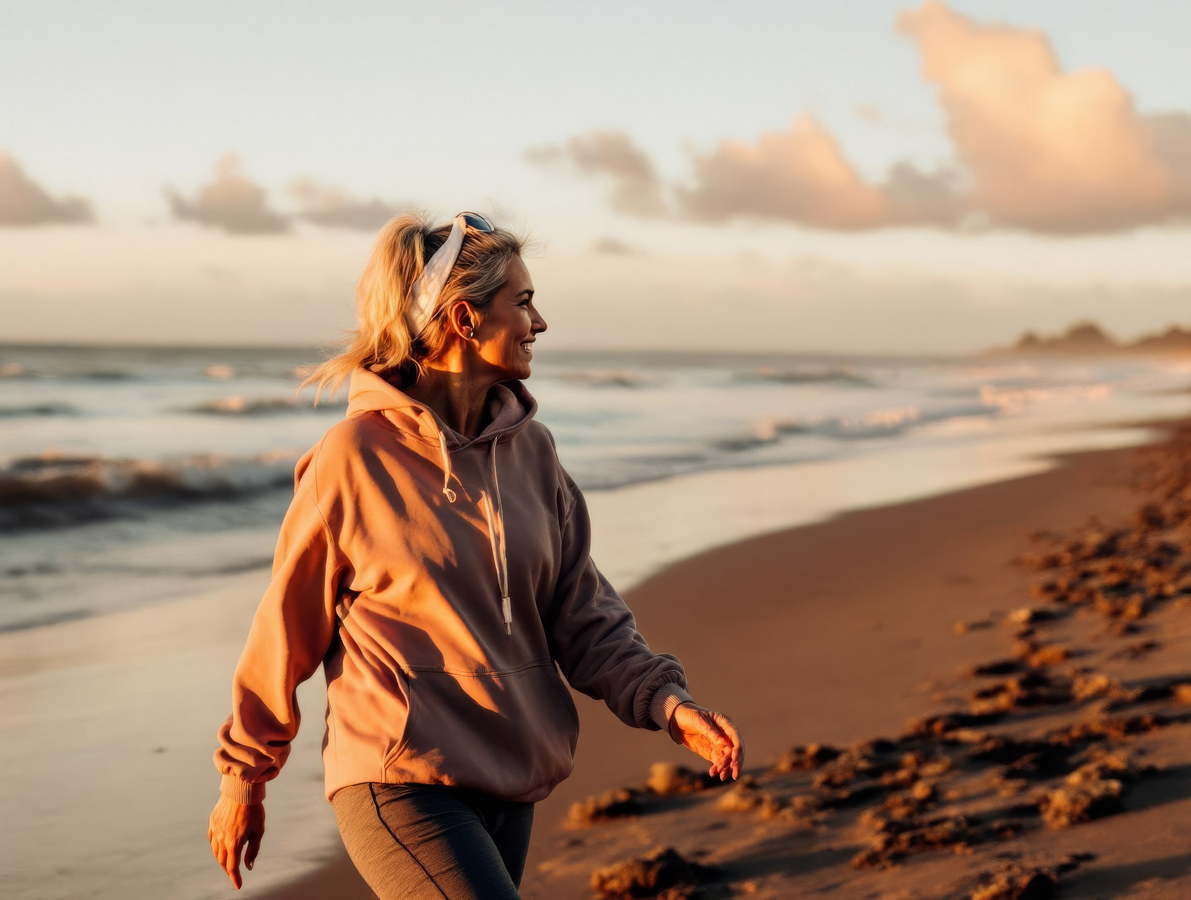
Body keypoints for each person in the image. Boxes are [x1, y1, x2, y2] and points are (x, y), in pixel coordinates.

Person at [207, 211, 744, 897]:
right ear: (464, 319)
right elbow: (284, 631)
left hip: (510, 772)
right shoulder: (353, 459)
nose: (539, 322)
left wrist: (666, 703)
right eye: (521, 302)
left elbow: (582, 614)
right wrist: (243, 779)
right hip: (398, 774)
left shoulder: (532, 452)